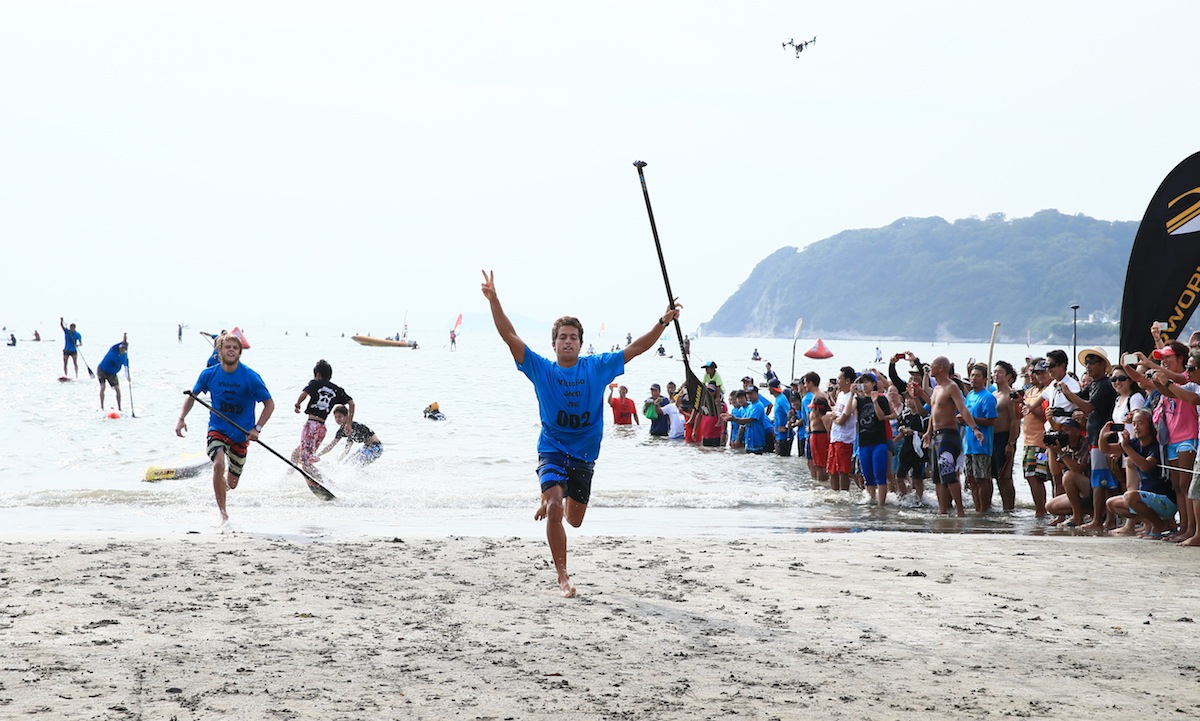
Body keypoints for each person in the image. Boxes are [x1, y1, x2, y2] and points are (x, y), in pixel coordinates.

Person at [480, 269, 679, 598]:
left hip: (585, 457)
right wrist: (494, 300)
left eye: (573, 337)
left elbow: (638, 348)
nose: (568, 341)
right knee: (557, 508)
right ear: (554, 343)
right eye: (563, 337)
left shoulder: (597, 367)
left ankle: (550, 496)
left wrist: (662, 321)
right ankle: (562, 576)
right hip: (553, 450)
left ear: (580, 343)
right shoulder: (541, 369)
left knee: (574, 521)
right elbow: (509, 336)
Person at [176, 332, 274, 523]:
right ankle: (223, 514)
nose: (231, 350)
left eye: (235, 348)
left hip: (241, 435)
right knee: (218, 464)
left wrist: (257, 429)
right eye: (227, 347)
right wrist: (181, 418)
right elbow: (192, 396)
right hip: (217, 428)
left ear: (239, 352)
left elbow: (269, 404)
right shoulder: (208, 374)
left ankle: (222, 487)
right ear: (219, 350)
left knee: (232, 483)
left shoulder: (251, 377)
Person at [923, 356, 986, 516]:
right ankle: (942, 511)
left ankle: (960, 511)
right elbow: (933, 412)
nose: (930, 368)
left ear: (941, 368)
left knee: (949, 474)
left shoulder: (951, 387)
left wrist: (975, 428)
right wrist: (928, 432)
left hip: (948, 435)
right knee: (937, 477)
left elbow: (963, 409)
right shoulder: (936, 388)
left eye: (933, 365)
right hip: (936, 435)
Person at [1101, 409, 1175, 537]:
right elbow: (1106, 449)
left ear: (1151, 425)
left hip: (1165, 501)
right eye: (1134, 424)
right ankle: (1152, 523)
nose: (1136, 427)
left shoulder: (1156, 445)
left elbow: (1146, 466)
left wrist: (1126, 447)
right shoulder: (1134, 443)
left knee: (1130, 496)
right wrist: (1102, 437)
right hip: (1148, 500)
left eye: (1140, 423)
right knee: (1111, 504)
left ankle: (1159, 525)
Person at [291, 359, 354, 474]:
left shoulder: (315, 383)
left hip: (311, 426)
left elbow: (304, 394)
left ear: (318, 374)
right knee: (296, 454)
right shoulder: (337, 389)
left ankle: (323, 481)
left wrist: (297, 404)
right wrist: (348, 423)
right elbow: (351, 403)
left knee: (306, 463)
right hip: (321, 429)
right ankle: (287, 477)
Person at [962, 363, 997, 513]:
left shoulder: (987, 397)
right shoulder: (970, 395)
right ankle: (977, 509)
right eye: (972, 375)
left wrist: (971, 420)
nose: (973, 379)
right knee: (971, 480)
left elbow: (991, 421)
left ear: (985, 379)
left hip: (982, 445)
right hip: (968, 444)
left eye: (977, 376)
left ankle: (983, 510)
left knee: (982, 479)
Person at [853, 372, 891, 506]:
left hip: (878, 442)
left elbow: (881, 417)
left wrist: (875, 402)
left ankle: (881, 505)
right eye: (863, 382)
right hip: (864, 443)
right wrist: (852, 393)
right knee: (867, 476)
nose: (865, 385)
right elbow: (848, 412)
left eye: (867, 382)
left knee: (880, 475)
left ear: (874, 384)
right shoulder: (858, 400)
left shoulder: (881, 399)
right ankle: (871, 502)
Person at [1020, 358, 1052, 516]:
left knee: (1036, 476)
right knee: (1030, 476)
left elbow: (1044, 416)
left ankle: (1042, 510)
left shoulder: (1047, 391)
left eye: (1041, 373)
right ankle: (1040, 509)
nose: (1038, 376)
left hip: (1040, 441)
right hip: (1028, 441)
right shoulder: (1030, 391)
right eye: (1036, 373)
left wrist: (1030, 407)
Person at [991, 361, 1020, 512]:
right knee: (995, 476)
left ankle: (1009, 508)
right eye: (994, 372)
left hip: (1004, 437)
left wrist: (1011, 442)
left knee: (1005, 476)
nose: (996, 375)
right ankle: (1001, 506)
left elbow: (1015, 420)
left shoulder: (1011, 395)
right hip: (992, 438)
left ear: (1008, 376)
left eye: (999, 372)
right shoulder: (993, 394)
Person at [319, 404, 383, 465]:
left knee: (353, 464)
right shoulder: (341, 431)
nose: (337, 419)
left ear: (347, 416)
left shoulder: (354, 426)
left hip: (376, 448)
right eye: (335, 417)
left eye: (340, 416)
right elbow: (333, 446)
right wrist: (318, 455)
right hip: (366, 448)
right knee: (346, 464)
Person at [96, 334, 129, 411]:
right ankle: (102, 407)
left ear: (125, 350)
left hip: (112, 374)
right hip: (102, 370)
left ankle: (119, 408)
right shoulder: (113, 349)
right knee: (103, 387)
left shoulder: (124, 357)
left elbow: (126, 368)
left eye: (123, 349)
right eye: (121, 348)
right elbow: (119, 344)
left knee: (117, 389)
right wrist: (124, 340)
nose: (121, 349)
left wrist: (127, 377)